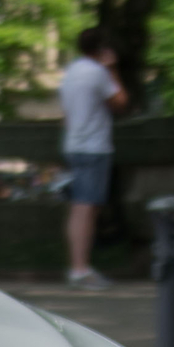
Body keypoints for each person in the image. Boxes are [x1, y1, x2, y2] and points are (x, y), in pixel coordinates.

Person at [58, 27, 128, 289]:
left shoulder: (72, 72)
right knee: (85, 208)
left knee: (81, 206)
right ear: (103, 49)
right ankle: (79, 269)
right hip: (94, 146)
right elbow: (120, 102)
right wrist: (112, 68)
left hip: (74, 144)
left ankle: (79, 266)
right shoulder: (98, 73)